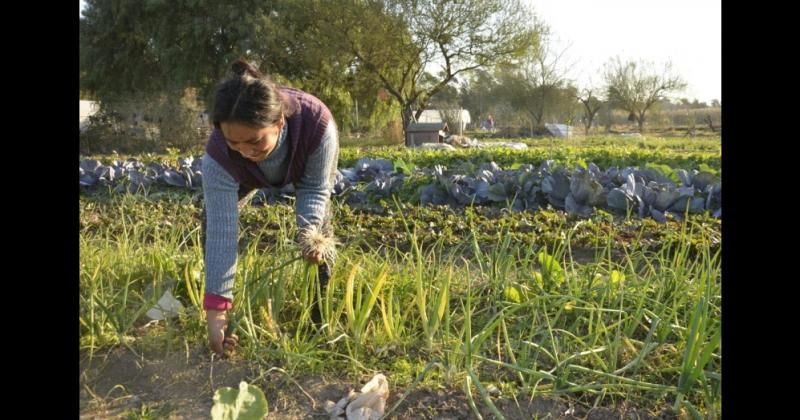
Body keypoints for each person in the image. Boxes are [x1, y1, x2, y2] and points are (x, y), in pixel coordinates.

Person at [201, 58, 339, 357]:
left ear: (279, 123)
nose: (245, 151)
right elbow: (222, 233)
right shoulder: (218, 156)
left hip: (302, 170)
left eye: (254, 141)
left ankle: (318, 322)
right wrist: (216, 310)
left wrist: (309, 233)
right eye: (233, 143)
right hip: (243, 180)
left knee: (321, 241)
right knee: (211, 224)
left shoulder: (317, 126)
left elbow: (315, 188)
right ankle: (227, 316)